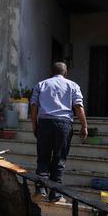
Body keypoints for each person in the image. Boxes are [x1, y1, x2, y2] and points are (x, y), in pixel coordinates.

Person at [30, 62, 88, 202]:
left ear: (51, 72)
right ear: (66, 72)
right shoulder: (73, 85)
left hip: (44, 123)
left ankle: (40, 190)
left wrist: (34, 125)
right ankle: (55, 194)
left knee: (43, 157)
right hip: (64, 125)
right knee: (59, 158)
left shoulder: (41, 84)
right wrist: (84, 125)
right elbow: (78, 106)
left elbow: (33, 106)